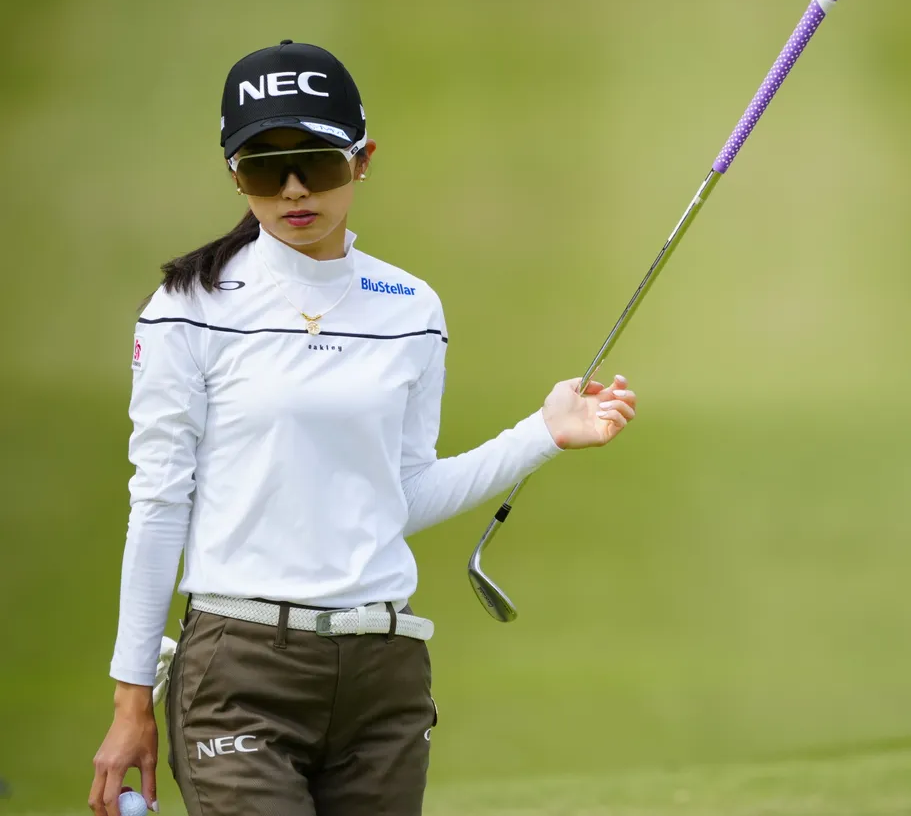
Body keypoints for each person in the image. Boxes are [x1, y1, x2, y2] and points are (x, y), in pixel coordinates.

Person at [88, 40, 637, 816]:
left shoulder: (411, 309)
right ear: (234, 175)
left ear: (363, 158)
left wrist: (542, 433)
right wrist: (130, 699)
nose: (292, 189)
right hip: (240, 672)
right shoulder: (188, 308)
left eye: (316, 162)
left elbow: (399, 495)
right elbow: (158, 501)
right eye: (263, 169)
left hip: (384, 672)